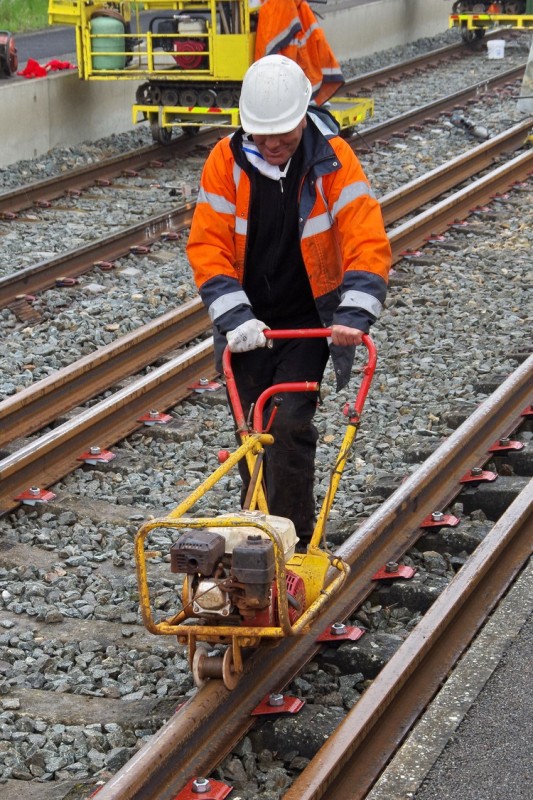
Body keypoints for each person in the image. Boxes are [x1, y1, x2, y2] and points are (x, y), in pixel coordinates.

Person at [187, 54, 391, 545]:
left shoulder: (332, 160)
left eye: (283, 133)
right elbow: (208, 247)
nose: (273, 144)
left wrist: (354, 314)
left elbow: (366, 236)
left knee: (290, 426)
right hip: (248, 323)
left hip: (306, 323)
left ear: (303, 117)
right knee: (251, 433)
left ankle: (294, 541)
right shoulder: (225, 162)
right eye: (262, 135)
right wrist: (235, 318)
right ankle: (258, 535)